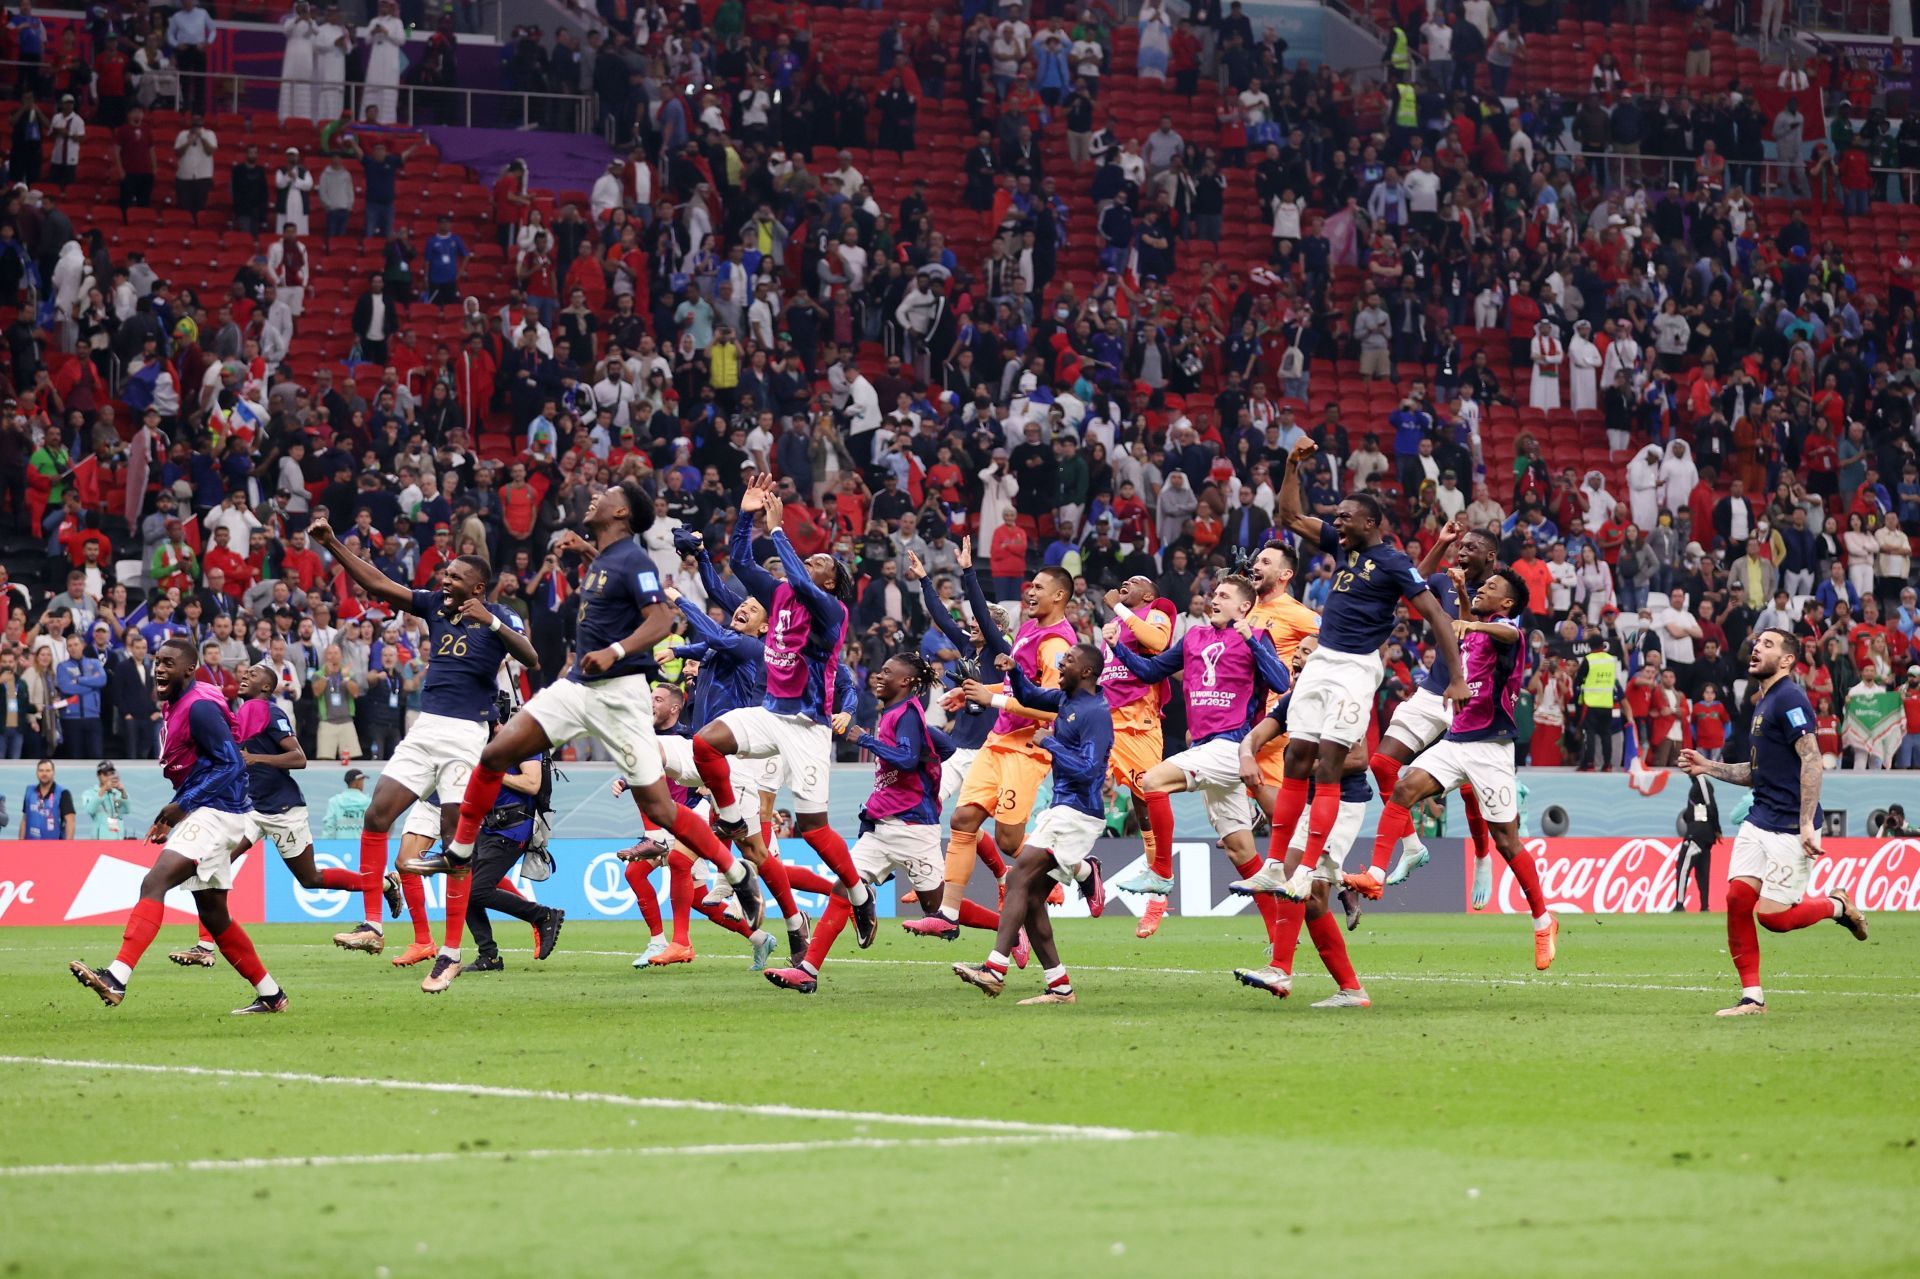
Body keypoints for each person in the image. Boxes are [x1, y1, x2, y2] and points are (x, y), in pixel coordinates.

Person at [442, 480, 760, 996]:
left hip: (619, 692)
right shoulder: (608, 556)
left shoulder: (634, 560)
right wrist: (585, 549)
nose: (592, 498)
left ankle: (736, 873)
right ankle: (458, 852)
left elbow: (660, 620)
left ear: (620, 512)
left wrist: (614, 651)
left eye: (603, 495)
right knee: (496, 752)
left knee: (659, 809)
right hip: (576, 685)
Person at [306, 514, 542, 983]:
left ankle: (451, 952)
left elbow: (531, 657)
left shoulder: (501, 616)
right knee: (377, 814)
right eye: (446, 573)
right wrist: (332, 542)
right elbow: (377, 583)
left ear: (478, 587)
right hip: (425, 728)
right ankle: (374, 924)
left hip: (466, 734)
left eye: (455, 575)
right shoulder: (435, 604)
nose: (445, 578)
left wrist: (492, 621)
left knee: (458, 845)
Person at [1235, 438, 1466, 893]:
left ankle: (1307, 873)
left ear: (1370, 523)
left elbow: (1438, 615)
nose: (1336, 521)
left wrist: (1457, 678)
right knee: (1297, 757)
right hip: (1321, 661)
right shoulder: (1343, 548)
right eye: (1335, 516)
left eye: (1345, 516)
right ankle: (1277, 865)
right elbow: (1290, 517)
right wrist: (1291, 467)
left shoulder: (1394, 563)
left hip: (1356, 669)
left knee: (1327, 766)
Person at [68, 637, 287, 1014]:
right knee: (214, 915)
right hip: (216, 809)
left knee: (155, 882)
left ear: (190, 669)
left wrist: (181, 806)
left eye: (169, 663)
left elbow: (231, 764)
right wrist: (176, 813)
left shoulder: (199, 708)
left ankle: (116, 978)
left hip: (218, 810)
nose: (159, 668)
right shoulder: (183, 701)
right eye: (157, 661)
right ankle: (272, 995)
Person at [1357, 566, 1558, 970]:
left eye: (1491, 587)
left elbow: (1508, 633)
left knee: (1507, 842)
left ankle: (1542, 921)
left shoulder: (1509, 635)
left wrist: (1470, 620)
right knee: (1403, 788)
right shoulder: (1473, 628)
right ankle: (1376, 873)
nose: (1484, 588)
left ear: (1508, 604)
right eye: (1482, 585)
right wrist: (1465, 596)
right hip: (1455, 742)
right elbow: (1468, 629)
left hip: (1491, 750)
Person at [689, 475, 856, 937]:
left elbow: (801, 581)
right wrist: (746, 516)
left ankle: (856, 893)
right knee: (706, 743)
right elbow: (739, 561)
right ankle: (729, 821)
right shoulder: (779, 594)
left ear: (832, 583)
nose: (810, 561)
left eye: (820, 561)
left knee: (814, 828)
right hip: (770, 713)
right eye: (811, 556)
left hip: (807, 725)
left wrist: (779, 530)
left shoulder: (831, 612)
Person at [1680, 629, 1870, 1016]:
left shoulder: (1791, 699)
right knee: (1736, 899)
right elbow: (1755, 772)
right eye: (1756, 643)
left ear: (1786, 660)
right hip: (1759, 818)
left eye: (1768, 645)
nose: (1756, 648)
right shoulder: (1763, 702)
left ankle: (1838, 905)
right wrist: (1708, 765)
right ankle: (1753, 998)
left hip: (1789, 825)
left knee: (1774, 918)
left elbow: (1812, 759)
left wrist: (1805, 824)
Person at [902, 534, 1078, 942]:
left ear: (1060, 595)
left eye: (1038, 587)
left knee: (1010, 840)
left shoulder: (1052, 643)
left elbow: (1052, 706)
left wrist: (990, 698)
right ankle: (947, 911)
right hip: (989, 744)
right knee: (960, 820)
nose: (1030, 591)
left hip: (1023, 746)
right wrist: (976, 695)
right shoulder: (1031, 634)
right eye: (1030, 586)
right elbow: (952, 622)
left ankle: (1080, 868)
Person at [171, 663, 404, 967]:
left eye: (252, 674)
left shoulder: (272, 713)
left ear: (267, 688)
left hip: (283, 810)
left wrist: (255, 758)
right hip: (249, 809)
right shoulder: (236, 717)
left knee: (311, 878)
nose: (244, 676)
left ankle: (385, 885)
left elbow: (299, 758)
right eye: (244, 672)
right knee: (215, 864)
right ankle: (204, 947)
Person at [765, 653, 961, 994]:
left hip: (913, 828)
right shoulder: (899, 714)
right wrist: (928, 751)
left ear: (905, 681)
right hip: (883, 825)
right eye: (879, 669)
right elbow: (941, 748)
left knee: (941, 913)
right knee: (844, 890)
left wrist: (864, 739)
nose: (878, 676)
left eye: (887, 671)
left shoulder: (906, 713)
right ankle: (808, 971)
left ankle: (1008, 927)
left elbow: (907, 757)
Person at [1349, 519, 1500, 901]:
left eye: (1470, 547)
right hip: (1435, 688)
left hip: (1473, 696)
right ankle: (1413, 847)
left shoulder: (1500, 592)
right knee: (1382, 766)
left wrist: (1466, 594)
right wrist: (1440, 543)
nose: (1462, 552)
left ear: (1490, 557)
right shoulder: (1444, 581)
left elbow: (1476, 631)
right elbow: (1414, 580)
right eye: (1460, 546)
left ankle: (1482, 857)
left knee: (1468, 788)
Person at [952, 642, 1112, 1004]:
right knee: (1033, 899)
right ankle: (1060, 987)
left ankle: (994, 968)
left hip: (1078, 813)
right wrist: (1013, 672)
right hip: (1063, 809)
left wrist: (1049, 744)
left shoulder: (1095, 713)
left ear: (1086, 672)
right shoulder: (1067, 700)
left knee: (1018, 878)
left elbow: (1089, 771)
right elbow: (1030, 696)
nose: (1060, 662)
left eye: (1068, 660)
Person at [1097, 574, 1180, 937]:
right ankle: (1072, 873)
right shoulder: (1114, 623)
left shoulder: (1159, 609)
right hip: (1103, 716)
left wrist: (1117, 604)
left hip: (1138, 720)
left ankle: (1157, 898)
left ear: (1149, 593)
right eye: (1123, 582)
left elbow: (1158, 642)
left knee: (1145, 799)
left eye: (1135, 581)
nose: (1126, 583)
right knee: (1074, 787)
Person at [1673, 772, 1719, 912]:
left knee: (1682, 866)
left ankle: (1680, 904)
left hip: (1697, 833)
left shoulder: (1701, 781)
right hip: (1704, 833)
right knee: (1702, 870)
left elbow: (1710, 804)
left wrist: (1717, 828)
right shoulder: (1698, 783)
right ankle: (1704, 907)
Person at [361, 0, 407, 125]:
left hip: (389, 63)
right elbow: (366, 40)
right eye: (382, 4)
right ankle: (368, 120)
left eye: (386, 4)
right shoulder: (374, 21)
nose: (384, 7)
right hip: (376, 62)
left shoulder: (397, 22)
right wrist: (373, 31)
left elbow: (401, 40)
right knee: (372, 89)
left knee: (388, 92)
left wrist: (386, 32)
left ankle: (387, 122)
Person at [23, 757, 74, 838]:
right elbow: (25, 819)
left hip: (54, 846)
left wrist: (68, 847)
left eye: (48, 770)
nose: (44, 774)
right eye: (41, 770)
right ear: (36, 773)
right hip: (30, 845)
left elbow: (70, 821)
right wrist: (20, 844)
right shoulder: (29, 791)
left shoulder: (63, 793)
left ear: (53, 772)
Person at [79, 761, 132, 839]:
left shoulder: (116, 792)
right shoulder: (90, 793)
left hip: (118, 837)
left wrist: (123, 791)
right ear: (98, 775)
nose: (109, 777)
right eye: (106, 774)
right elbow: (90, 810)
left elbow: (127, 810)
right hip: (100, 839)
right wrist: (104, 789)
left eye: (111, 773)